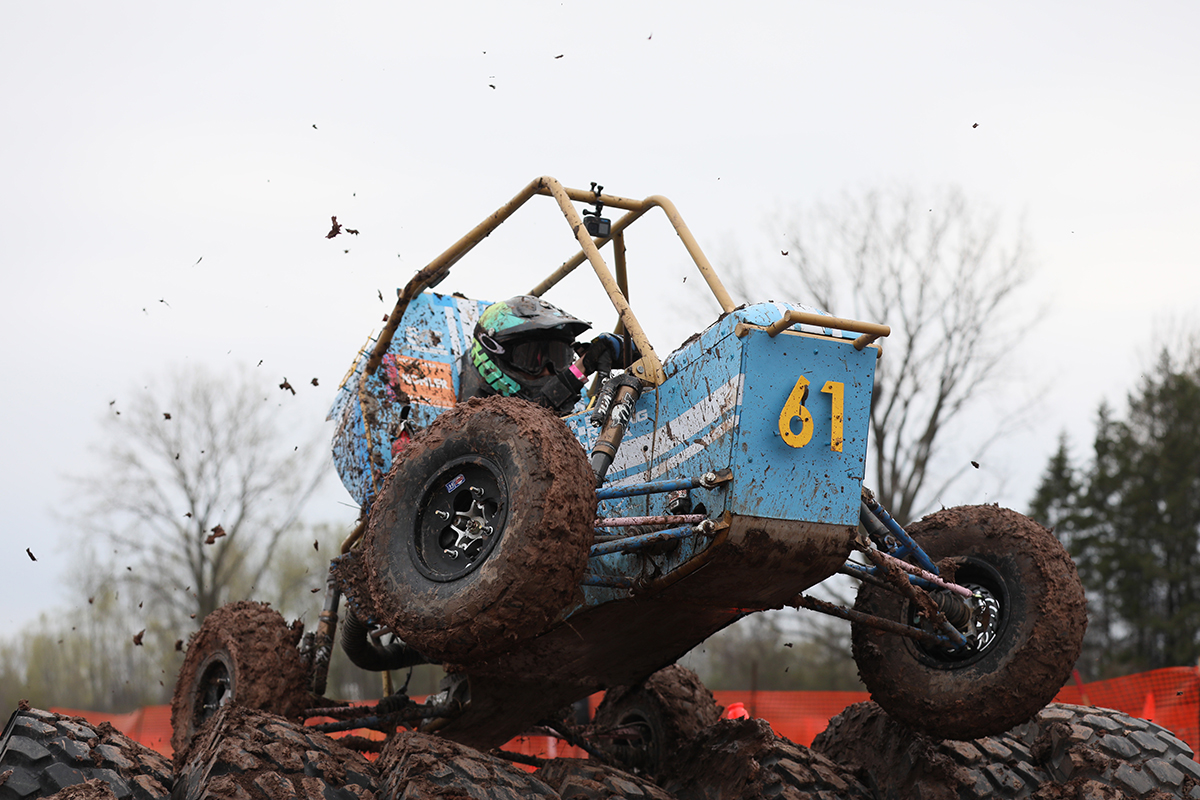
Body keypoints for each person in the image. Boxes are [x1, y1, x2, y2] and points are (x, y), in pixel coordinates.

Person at [457, 295, 633, 414]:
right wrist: (579, 371)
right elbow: (525, 422)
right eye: (533, 358)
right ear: (493, 351)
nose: (549, 371)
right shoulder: (462, 417)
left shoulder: (578, 405)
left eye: (558, 357)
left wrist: (635, 356)